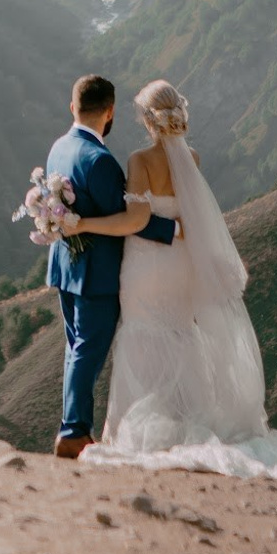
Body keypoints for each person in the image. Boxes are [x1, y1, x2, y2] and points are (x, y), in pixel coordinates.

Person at [78, 80, 277, 481]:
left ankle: (147, 429)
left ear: (145, 119)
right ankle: (187, 419)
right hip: (181, 268)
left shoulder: (140, 160)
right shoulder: (193, 158)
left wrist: (84, 224)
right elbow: (192, 222)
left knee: (142, 335)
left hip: (147, 268)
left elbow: (136, 221)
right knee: (182, 336)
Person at [44, 73, 177, 459]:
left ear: (73, 107)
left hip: (65, 266)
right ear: (110, 112)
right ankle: (73, 432)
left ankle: (75, 427)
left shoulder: (59, 147)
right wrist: (175, 227)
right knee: (87, 350)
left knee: (76, 348)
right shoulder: (99, 160)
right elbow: (127, 216)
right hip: (95, 273)